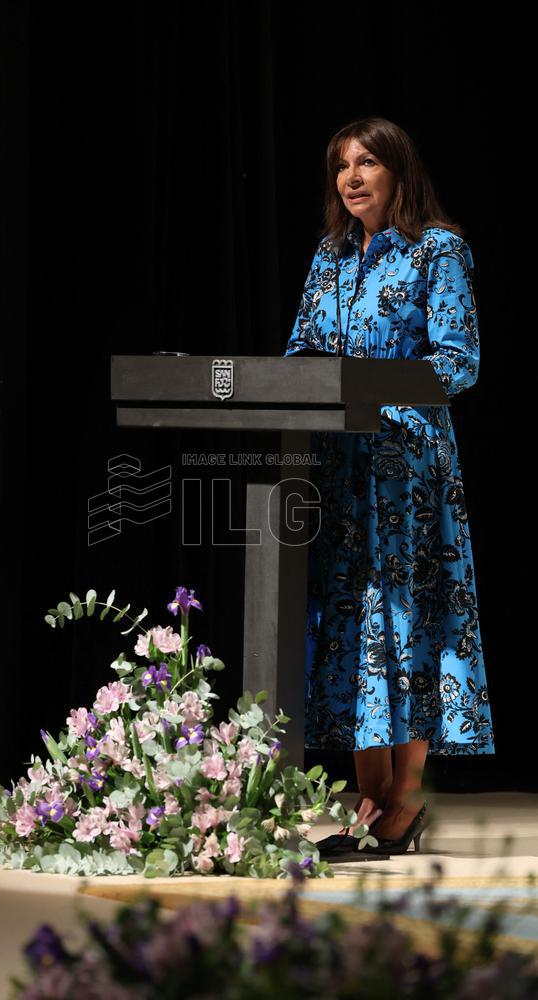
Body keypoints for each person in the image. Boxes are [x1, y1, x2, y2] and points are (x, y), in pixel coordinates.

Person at [284, 117, 495, 856]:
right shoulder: (331, 255)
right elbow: (301, 351)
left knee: (407, 621)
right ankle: (368, 803)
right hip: (340, 469)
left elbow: (458, 362)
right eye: (341, 165)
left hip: (407, 470)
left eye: (367, 162)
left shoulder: (439, 249)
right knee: (353, 625)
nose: (352, 177)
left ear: (398, 171)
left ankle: (403, 804)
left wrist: (372, 387)